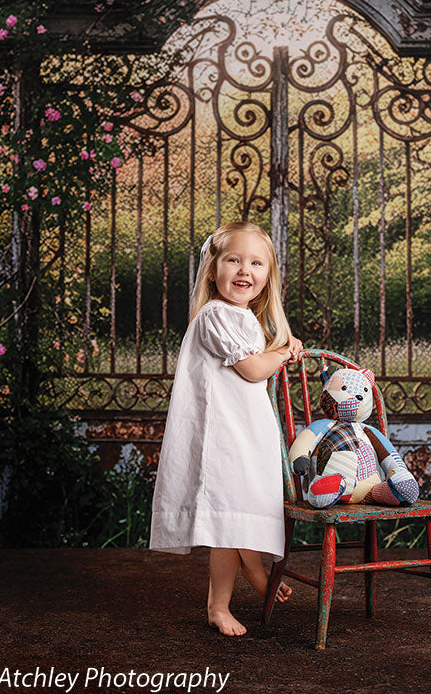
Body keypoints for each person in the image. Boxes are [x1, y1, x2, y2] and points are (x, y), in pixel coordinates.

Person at [150, 221, 303, 636]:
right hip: (222, 439)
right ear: (213, 269)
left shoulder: (245, 317)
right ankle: (220, 604)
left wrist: (278, 349)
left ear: (267, 275)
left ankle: (254, 566)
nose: (244, 270)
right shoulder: (214, 316)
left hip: (245, 435)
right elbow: (253, 369)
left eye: (255, 262)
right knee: (227, 517)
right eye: (233, 259)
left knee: (247, 507)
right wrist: (282, 353)